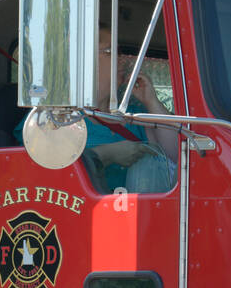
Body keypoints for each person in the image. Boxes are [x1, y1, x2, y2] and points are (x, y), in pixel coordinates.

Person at [17, 26, 177, 193]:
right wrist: (107, 154)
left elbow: (177, 156)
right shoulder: (50, 117)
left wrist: (151, 101)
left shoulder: (133, 113)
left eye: (120, 52)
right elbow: (42, 177)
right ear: (83, 60)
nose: (123, 61)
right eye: (111, 52)